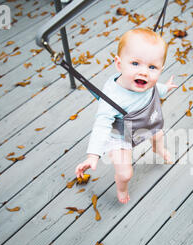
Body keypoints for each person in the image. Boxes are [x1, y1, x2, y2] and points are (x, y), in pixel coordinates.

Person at [75, 28, 177, 204]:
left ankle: (157, 149)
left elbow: (153, 89)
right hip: (120, 135)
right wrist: (93, 155)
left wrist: (164, 88)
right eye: (135, 64)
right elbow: (101, 126)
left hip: (143, 122)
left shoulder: (145, 82)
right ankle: (121, 188)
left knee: (158, 134)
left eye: (152, 67)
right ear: (119, 64)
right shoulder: (112, 98)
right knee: (125, 173)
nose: (144, 72)